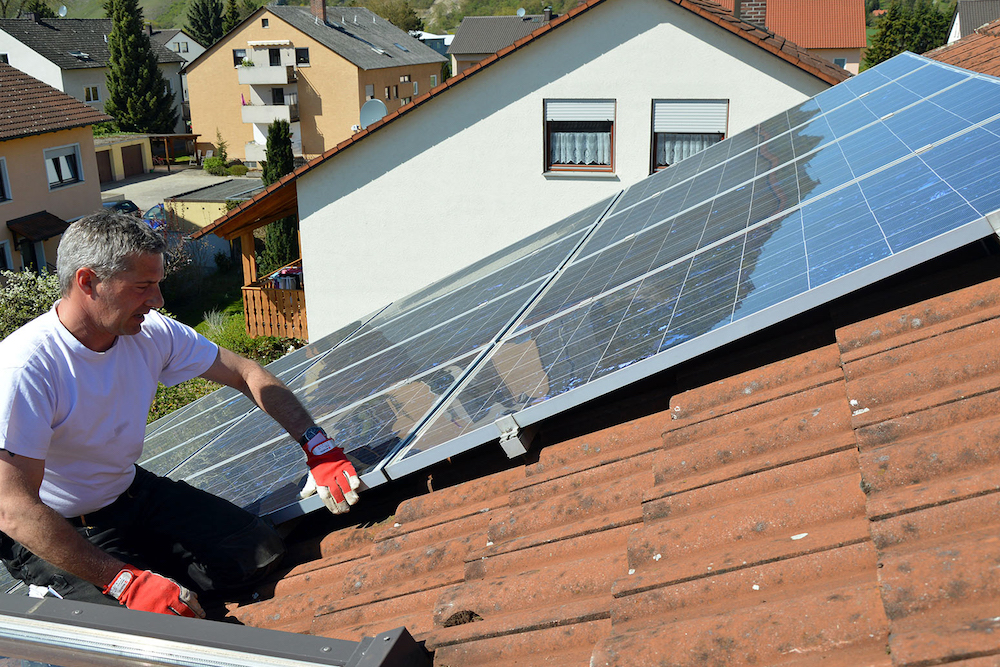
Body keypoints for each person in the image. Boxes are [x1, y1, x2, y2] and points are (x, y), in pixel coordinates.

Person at [0, 211, 360, 618]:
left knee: (259, 554)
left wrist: (318, 447)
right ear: (88, 282)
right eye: (143, 287)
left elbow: (246, 372)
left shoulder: (151, 331)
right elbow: (14, 509)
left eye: (158, 284)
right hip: (61, 524)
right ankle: (61, 586)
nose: (157, 301)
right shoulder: (26, 369)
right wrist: (123, 581)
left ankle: (148, 569)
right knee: (153, 628)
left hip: (130, 493)